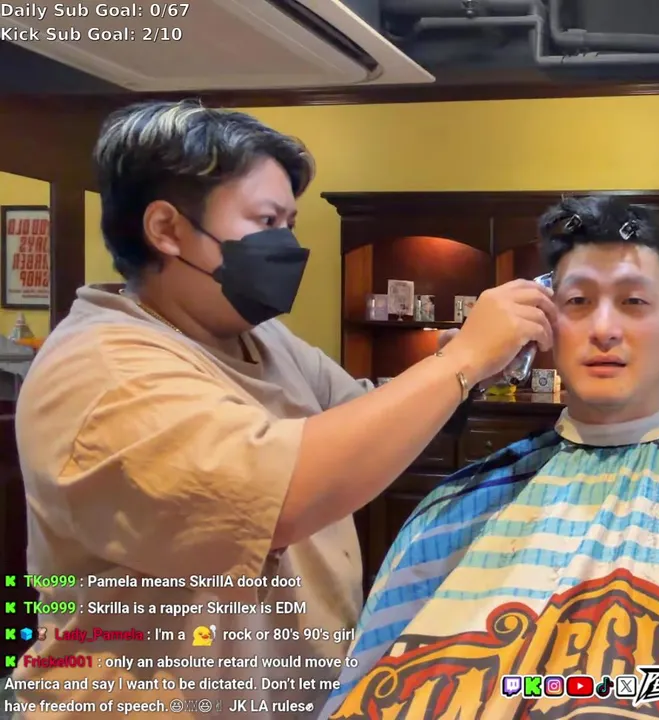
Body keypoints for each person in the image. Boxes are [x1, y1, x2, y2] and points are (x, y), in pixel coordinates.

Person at [12, 100, 555, 718]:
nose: (288, 246)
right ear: (166, 228)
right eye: (266, 220)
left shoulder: (258, 336)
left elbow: (369, 419)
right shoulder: (105, 373)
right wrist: (462, 361)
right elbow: (280, 499)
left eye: (290, 224)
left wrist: (468, 371)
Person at [321, 196, 659, 720]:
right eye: (578, 302)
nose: (604, 329)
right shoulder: (451, 517)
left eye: (634, 302)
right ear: (543, 324)